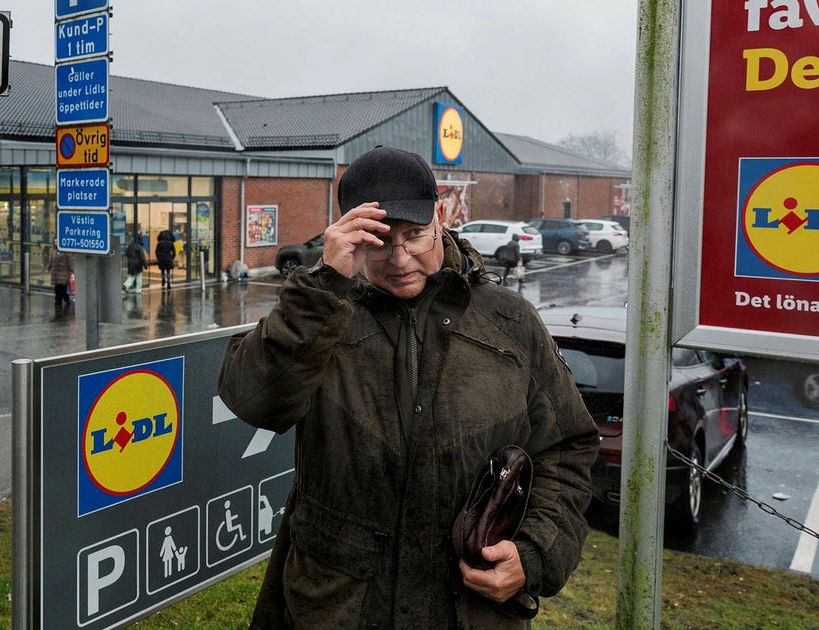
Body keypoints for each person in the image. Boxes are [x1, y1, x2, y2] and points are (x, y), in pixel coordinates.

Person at [217, 146, 599, 628]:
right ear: (348, 234)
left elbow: (568, 449)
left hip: (468, 612)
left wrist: (535, 552)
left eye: (415, 235)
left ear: (439, 217)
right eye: (379, 240)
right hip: (339, 610)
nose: (400, 258)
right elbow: (257, 400)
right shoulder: (321, 315)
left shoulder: (509, 321)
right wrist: (321, 288)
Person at [46, 239, 74, 310]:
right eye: (55, 242)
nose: (56, 243)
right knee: (57, 288)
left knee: (63, 289)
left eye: (57, 242)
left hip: (63, 273)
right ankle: (58, 302)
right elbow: (51, 261)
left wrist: (71, 272)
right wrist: (48, 268)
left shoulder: (65, 252)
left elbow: (69, 263)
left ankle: (66, 301)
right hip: (55, 273)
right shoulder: (53, 251)